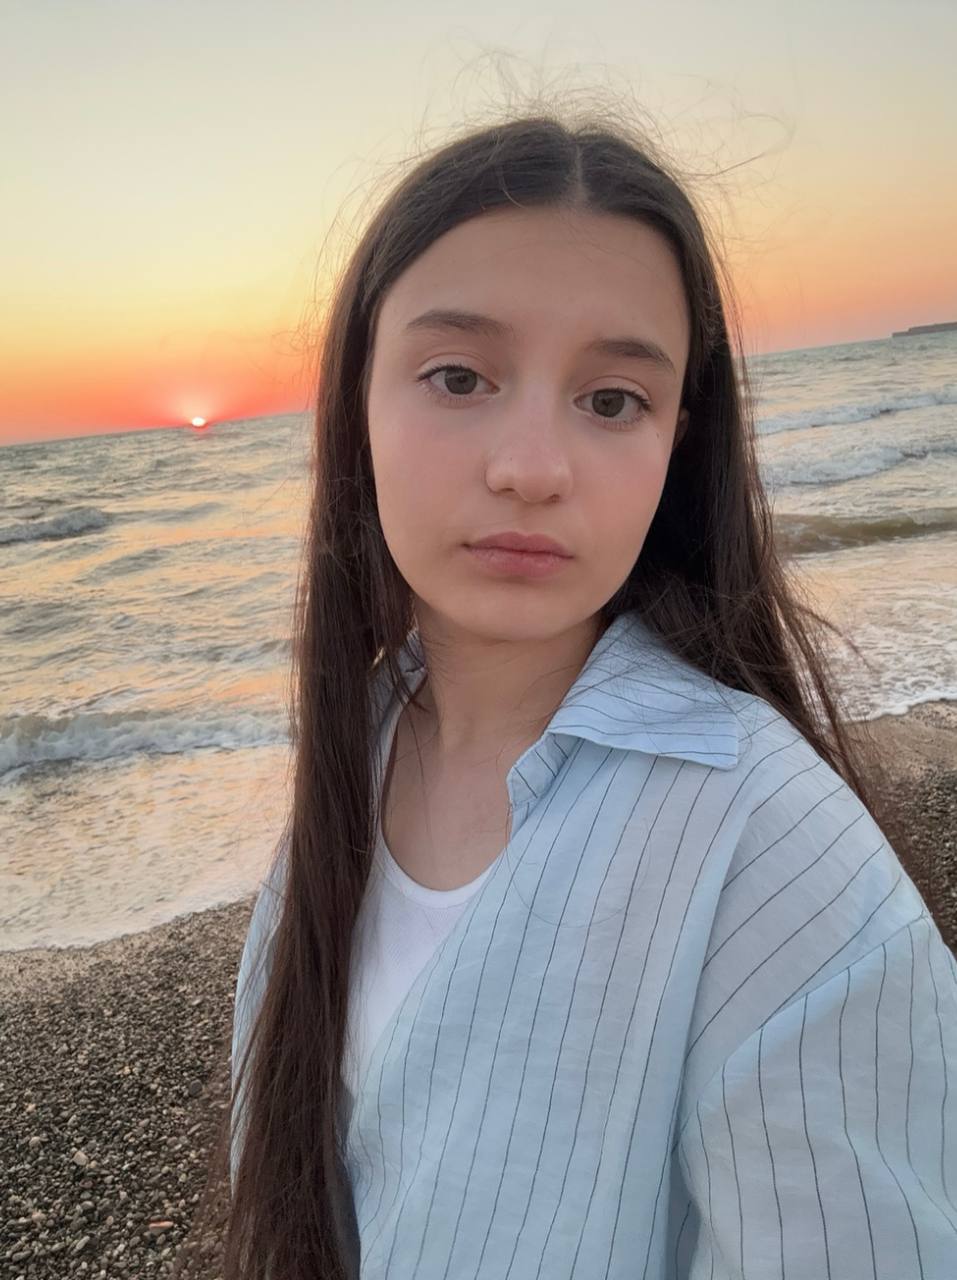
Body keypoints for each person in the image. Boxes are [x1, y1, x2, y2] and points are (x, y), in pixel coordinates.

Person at [185, 109, 957, 1280]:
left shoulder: (774, 847)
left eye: (612, 400)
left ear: (676, 439)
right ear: (356, 402)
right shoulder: (365, 738)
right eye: (459, 377)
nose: (532, 468)